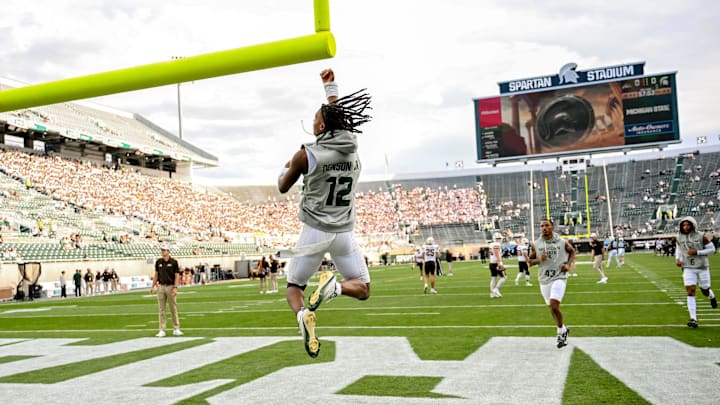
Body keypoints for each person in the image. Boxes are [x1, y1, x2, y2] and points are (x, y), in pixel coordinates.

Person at [277, 68, 372, 358]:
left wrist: (287, 165)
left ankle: (302, 316)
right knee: (364, 289)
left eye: (316, 119)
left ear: (320, 128)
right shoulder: (351, 150)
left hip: (315, 231)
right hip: (343, 232)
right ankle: (336, 289)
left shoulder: (306, 154)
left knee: (294, 287)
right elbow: (336, 116)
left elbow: (282, 186)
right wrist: (330, 86)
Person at [528, 218, 576, 348]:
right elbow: (530, 263)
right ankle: (564, 329)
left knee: (554, 305)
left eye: (546, 225)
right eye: (542, 225)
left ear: (552, 227)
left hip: (559, 277)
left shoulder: (561, 241)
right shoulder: (536, 244)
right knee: (552, 309)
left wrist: (568, 264)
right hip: (544, 279)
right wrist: (539, 259)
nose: (544, 228)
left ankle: (560, 332)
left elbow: (572, 251)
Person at [675, 216, 717, 328]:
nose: (686, 227)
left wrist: (697, 252)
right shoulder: (679, 237)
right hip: (688, 267)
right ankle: (693, 318)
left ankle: (711, 295)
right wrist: (678, 259)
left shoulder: (701, 236)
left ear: (693, 225)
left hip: (702, 266)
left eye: (688, 224)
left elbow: (712, 249)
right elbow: (679, 249)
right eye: (684, 225)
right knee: (690, 291)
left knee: (705, 289)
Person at [150, 245, 183, 337]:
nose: (163, 251)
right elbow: (156, 274)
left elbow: (177, 275)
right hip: (161, 286)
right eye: (162, 250)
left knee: (173, 308)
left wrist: (176, 287)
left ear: (168, 251)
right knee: (161, 309)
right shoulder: (158, 262)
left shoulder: (174, 262)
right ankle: (162, 329)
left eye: (164, 250)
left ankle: (176, 328)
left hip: (171, 286)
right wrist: (152, 286)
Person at [489, 232, 507, 298]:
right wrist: (500, 263)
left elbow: (491, 254)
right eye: (498, 238)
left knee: (493, 278)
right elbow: (497, 254)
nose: (499, 239)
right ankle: (496, 290)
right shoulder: (497, 244)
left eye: (499, 238)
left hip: (492, 263)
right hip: (496, 263)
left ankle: (492, 293)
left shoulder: (491, 244)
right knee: (504, 277)